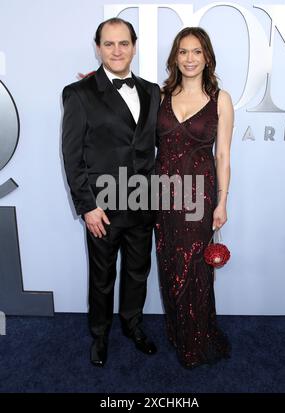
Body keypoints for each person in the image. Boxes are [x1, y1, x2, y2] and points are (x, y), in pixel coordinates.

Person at [62, 18, 160, 367]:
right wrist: (87, 206)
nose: (117, 50)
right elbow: (72, 157)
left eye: (123, 43)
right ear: (98, 47)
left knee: (138, 273)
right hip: (102, 207)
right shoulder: (78, 94)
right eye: (109, 44)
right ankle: (99, 336)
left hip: (144, 203)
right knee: (102, 278)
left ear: (134, 46)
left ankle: (133, 326)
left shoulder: (152, 91)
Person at [155, 27, 233, 368]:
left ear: (207, 57)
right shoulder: (159, 96)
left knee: (194, 269)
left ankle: (197, 340)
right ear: (175, 57)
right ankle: (178, 331)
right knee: (170, 265)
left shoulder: (221, 99)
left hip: (199, 197)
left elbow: (223, 156)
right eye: (183, 51)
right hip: (161, 196)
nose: (189, 58)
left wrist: (222, 201)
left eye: (196, 52)